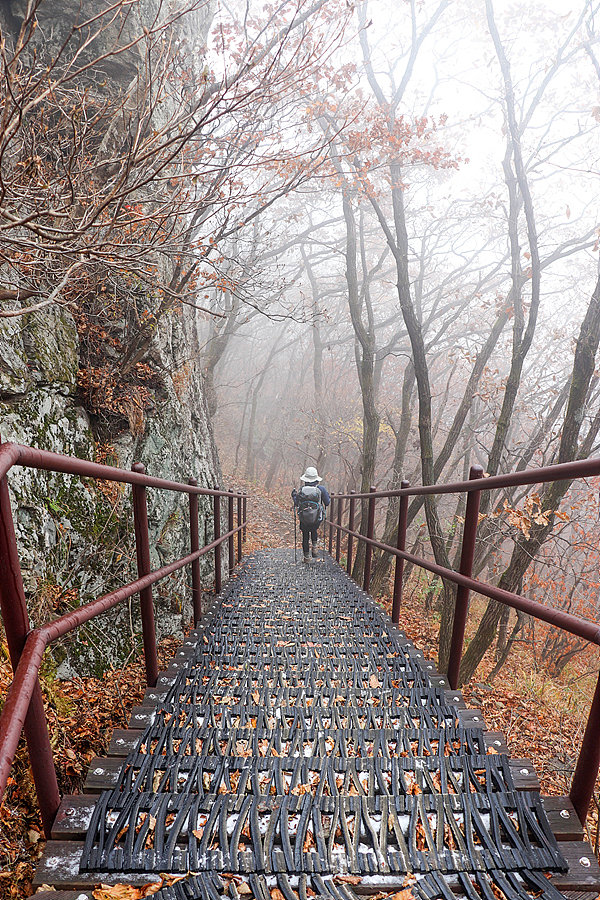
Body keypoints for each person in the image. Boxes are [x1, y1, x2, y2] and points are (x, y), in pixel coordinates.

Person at [292, 466, 331, 562]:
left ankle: (306, 558)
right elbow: (327, 503)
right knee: (314, 530)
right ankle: (314, 547)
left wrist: (293, 495)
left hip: (304, 519)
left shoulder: (302, 490)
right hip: (317, 518)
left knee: (305, 535)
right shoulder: (321, 489)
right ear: (316, 479)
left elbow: (296, 503)